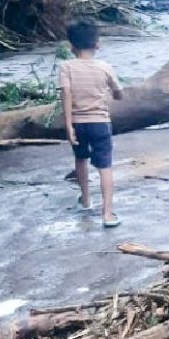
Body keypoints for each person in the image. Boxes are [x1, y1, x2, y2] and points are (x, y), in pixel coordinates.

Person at [58, 20, 124, 228]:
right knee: (105, 166)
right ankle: (107, 213)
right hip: (100, 123)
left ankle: (86, 200)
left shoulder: (65, 67)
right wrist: (115, 93)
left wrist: (68, 125)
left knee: (80, 159)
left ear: (71, 46)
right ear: (98, 44)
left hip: (77, 123)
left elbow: (66, 95)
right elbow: (118, 93)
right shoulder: (105, 68)